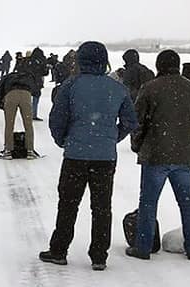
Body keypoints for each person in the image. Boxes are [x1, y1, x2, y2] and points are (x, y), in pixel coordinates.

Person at [40, 42, 138, 270]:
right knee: (102, 207)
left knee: (68, 204)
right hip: (105, 158)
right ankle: (99, 256)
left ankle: (59, 250)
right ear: (104, 60)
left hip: (75, 155)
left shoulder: (71, 85)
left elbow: (57, 118)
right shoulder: (117, 88)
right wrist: (112, 138)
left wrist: (63, 140)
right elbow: (130, 121)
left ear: (80, 60)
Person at [127, 50, 190, 261]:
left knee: (148, 203)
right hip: (185, 156)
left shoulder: (150, 88)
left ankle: (142, 248)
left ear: (159, 65)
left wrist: (137, 145)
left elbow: (138, 122)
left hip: (155, 154)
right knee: (188, 203)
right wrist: (187, 142)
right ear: (178, 65)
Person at [0, 68, 38, 158]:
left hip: (11, 95)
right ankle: (30, 150)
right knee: (28, 124)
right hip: (26, 95)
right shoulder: (28, 76)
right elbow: (36, 90)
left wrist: (1, 105)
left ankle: (8, 151)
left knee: (9, 124)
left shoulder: (7, 77)